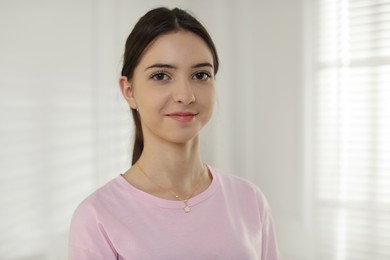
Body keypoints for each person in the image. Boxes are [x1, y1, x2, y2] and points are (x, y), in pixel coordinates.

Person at [68, 7, 280, 260]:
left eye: (201, 75)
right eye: (161, 76)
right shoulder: (97, 216)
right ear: (129, 91)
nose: (185, 95)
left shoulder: (250, 201)